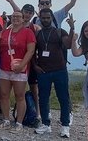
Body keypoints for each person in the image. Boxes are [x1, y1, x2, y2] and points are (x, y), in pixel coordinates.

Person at [33, 8, 73, 138]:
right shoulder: (38, 34)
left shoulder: (60, 32)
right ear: (40, 18)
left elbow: (68, 45)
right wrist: (35, 66)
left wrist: (72, 29)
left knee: (63, 98)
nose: (45, 20)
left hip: (60, 70)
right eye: (43, 18)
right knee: (43, 98)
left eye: (47, 18)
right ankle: (46, 124)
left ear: (52, 18)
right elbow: (33, 51)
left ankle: (65, 126)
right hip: (43, 71)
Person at [0, 11, 36, 133]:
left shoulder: (28, 32)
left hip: (20, 69)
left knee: (20, 96)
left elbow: (31, 51)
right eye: (14, 16)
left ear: (23, 19)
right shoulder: (5, 32)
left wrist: (22, 64)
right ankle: (6, 121)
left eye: (18, 16)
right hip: (4, 68)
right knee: (4, 95)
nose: (16, 18)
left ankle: (19, 123)